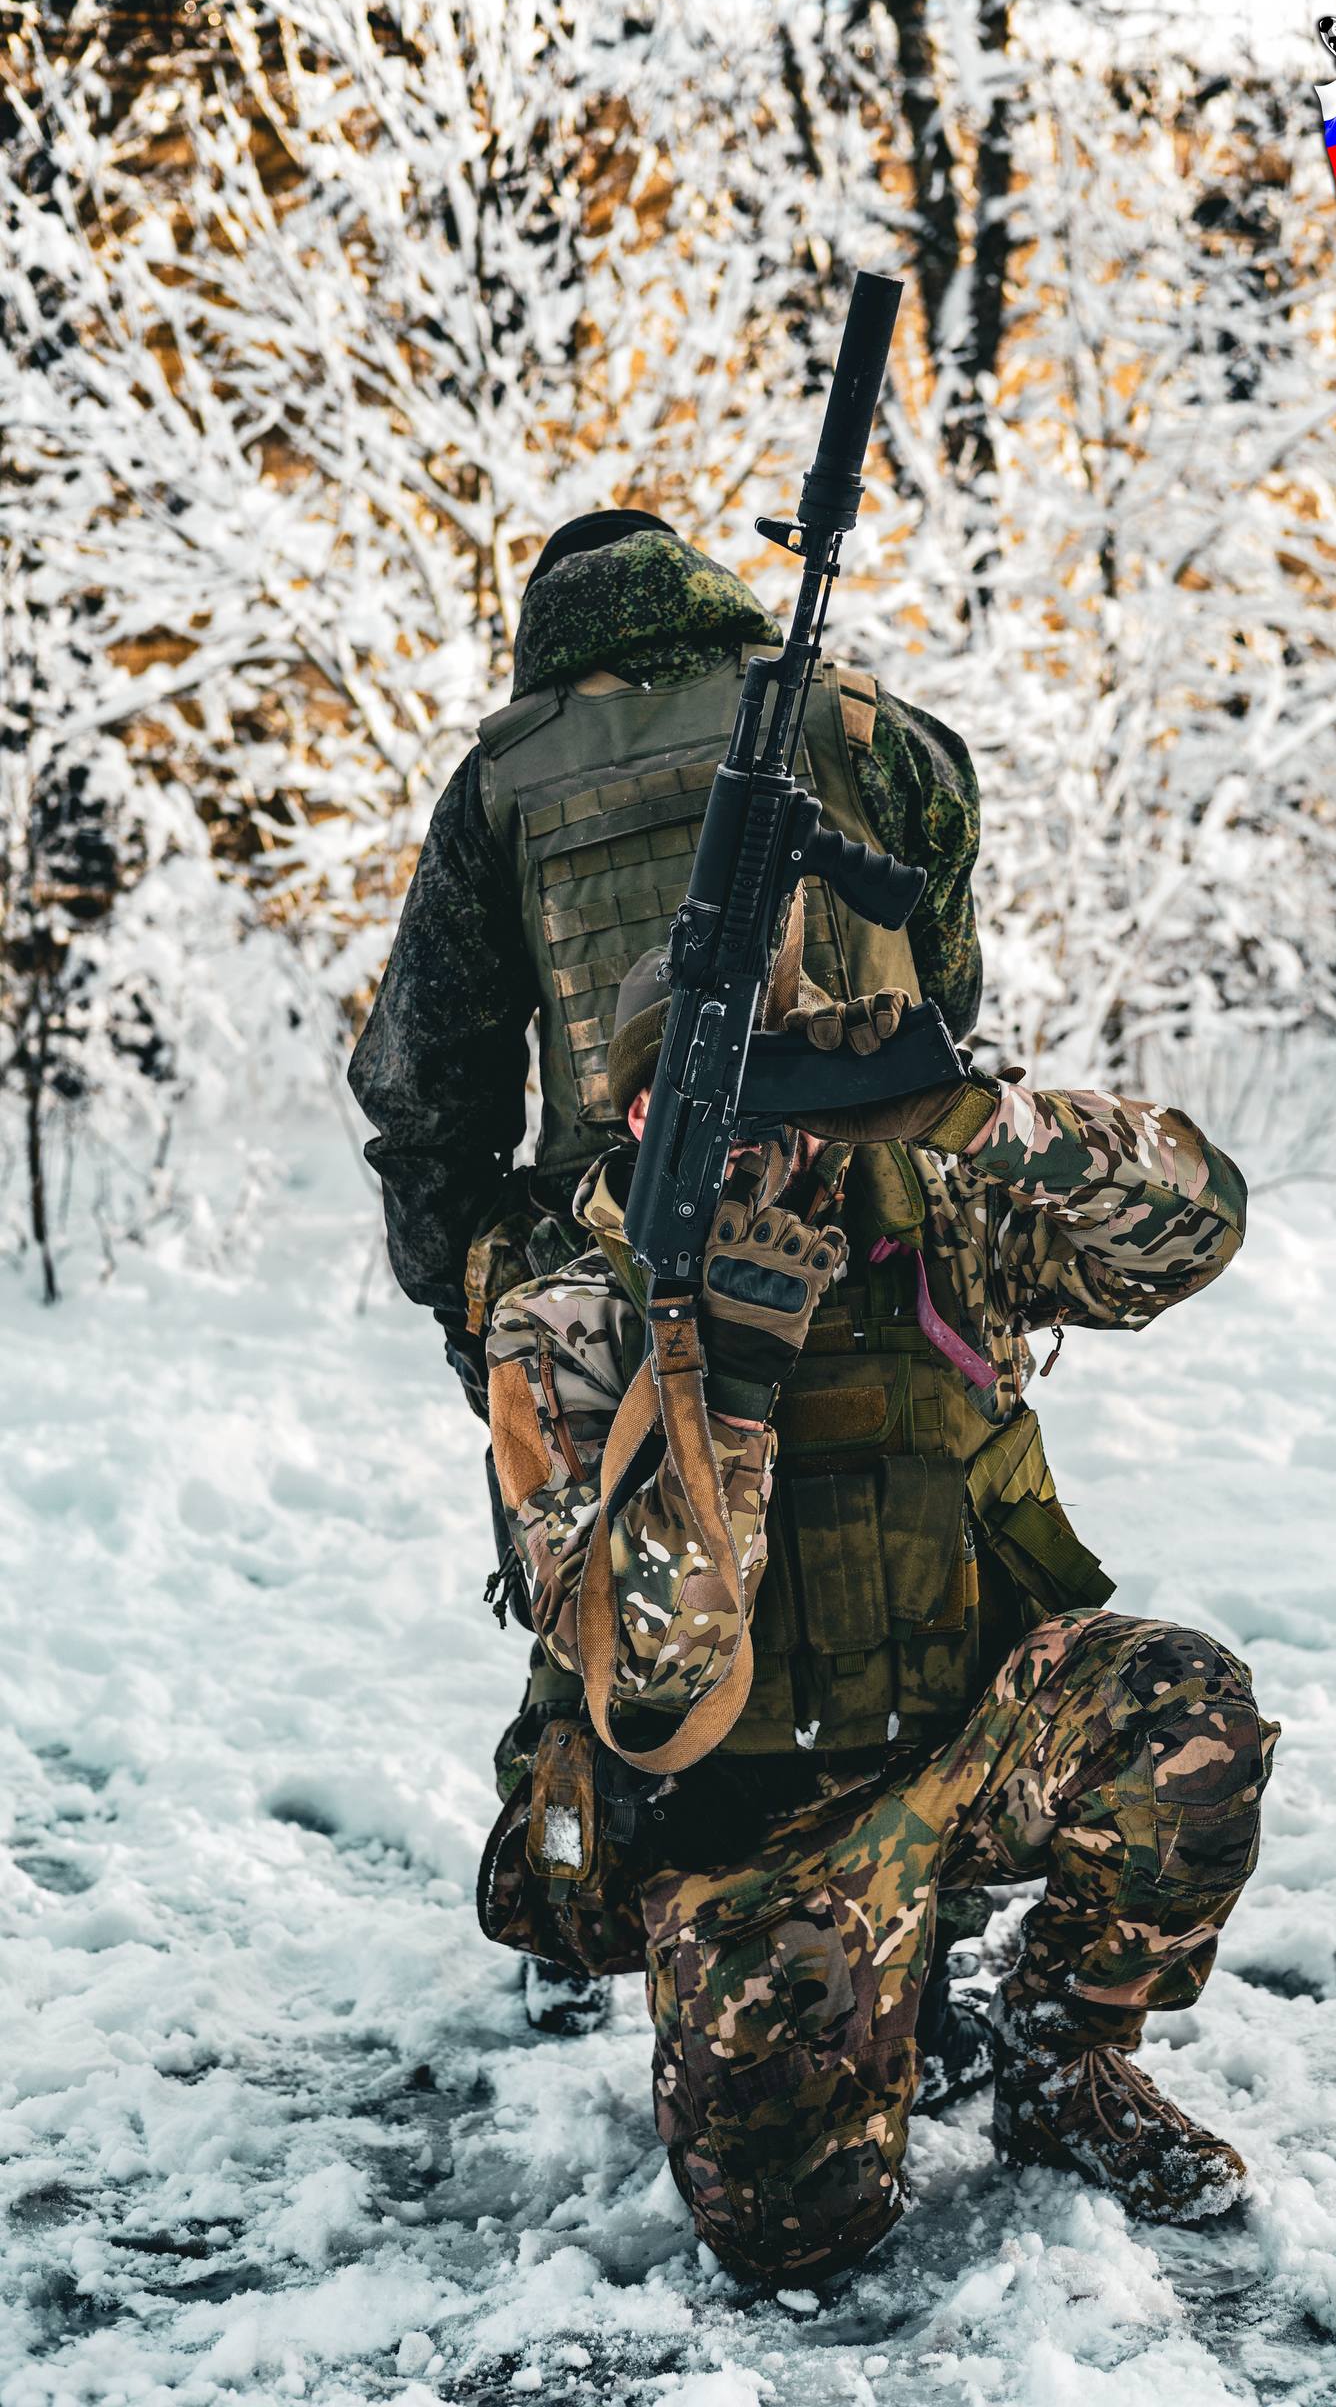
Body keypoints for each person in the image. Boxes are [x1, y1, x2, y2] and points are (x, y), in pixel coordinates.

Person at [470, 943, 1276, 2286]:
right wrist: (726, 1389)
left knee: (1179, 1713)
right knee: (798, 2239)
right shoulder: (566, 1321)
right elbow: (654, 1675)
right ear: (636, 1116)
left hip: (970, 1755)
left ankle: (1059, 2058)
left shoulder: (935, 1223)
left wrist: (968, 1116)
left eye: (781, 1096)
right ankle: (846, 2001)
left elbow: (1199, 1225)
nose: (754, 1141)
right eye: (707, 1104)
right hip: (748, 1831)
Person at [349, 509, 988, 2047]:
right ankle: (930, 1880)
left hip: (620, 1267)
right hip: (867, 1235)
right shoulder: (869, 728)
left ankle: (606, 1872)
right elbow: (947, 994)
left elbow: (424, 1087)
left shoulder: (505, 780)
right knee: (912, 1541)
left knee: (615, 1586)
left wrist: (482, 1301)